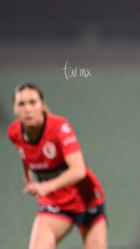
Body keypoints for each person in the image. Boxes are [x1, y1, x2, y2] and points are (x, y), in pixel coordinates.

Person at [7, 83, 107, 249]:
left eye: (33, 102)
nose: (28, 109)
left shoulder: (59, 127)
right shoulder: (14, 132)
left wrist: (46, 186)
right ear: (15, 109)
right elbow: (24, 152)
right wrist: (27, 178)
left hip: (85, 198)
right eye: (21, 104)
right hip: (55, 202)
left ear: (42, 105)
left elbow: (79, 170)